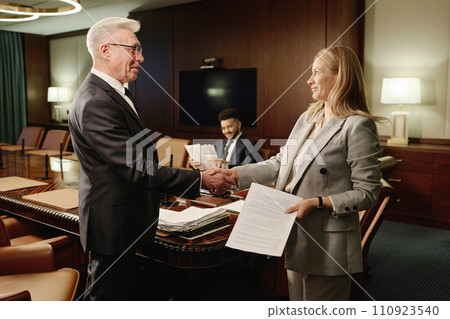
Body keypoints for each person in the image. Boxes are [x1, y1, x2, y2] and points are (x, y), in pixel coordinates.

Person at [68, 17, 233, 300]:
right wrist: (200, 179)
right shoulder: (97, 100)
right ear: (105, 50)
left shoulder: (111, 93)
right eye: (133, 49)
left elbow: (134, 144)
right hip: (113, 224)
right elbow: (134, 168)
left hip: (124, 220)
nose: (140, 58)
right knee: (104, 300)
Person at [211, 45, 383, 301]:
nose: (309, 80)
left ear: (340, 76)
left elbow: (368, 193)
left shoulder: (358, 125)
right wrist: (236, 175)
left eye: (316, 72)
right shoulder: (307, 117)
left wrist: (319, 202)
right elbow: (281, 163)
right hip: (295, 236)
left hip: (329, 245)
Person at [190, 107, 260, 169]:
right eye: (223, 128)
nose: (226, 131)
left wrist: (226, 166)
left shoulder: (251, 144)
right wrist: (198, 165)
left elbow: (249, 168)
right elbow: (210, 166)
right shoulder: (219, 144)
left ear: (239, 124)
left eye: (230, 126)